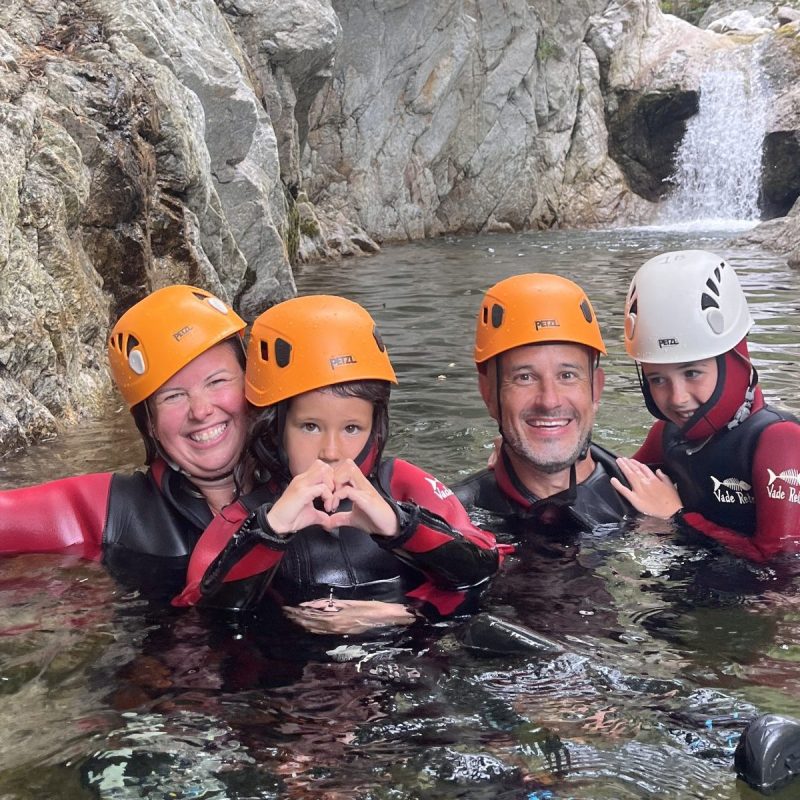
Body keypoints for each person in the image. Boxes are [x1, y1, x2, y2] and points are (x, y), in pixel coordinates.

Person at [182, 294, 504, 634]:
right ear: (275, 429)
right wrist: (269, 533)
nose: (331, 451)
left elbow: (485, 566)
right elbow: (198, 616)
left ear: (374, 429)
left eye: (352, 428)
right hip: (299, 677)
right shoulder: (245, 516)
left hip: (404, 660)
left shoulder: (401, 484)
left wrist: (399, 529)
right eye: (310, 427)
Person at [0, 285, 275, 607]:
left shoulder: (313, 479)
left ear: (251, 385)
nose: (200, 411)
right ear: (150, 425)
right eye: (172, 396)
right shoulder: (117, 510)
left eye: (217, 382)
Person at [611, 249, 800, 562]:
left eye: (692, 372)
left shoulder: (780, 441)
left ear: (735, 360)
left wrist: (677, 517)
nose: (677, 398)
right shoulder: (667, 435)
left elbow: (784, 576)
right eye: (657, 379)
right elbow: (614, 483)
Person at [453, 273, 632, 531]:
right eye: (524, 377)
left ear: (596, 389)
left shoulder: (650, 499)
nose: (549, 400)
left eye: (567, 375)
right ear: (488, 393)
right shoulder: (452, 520)